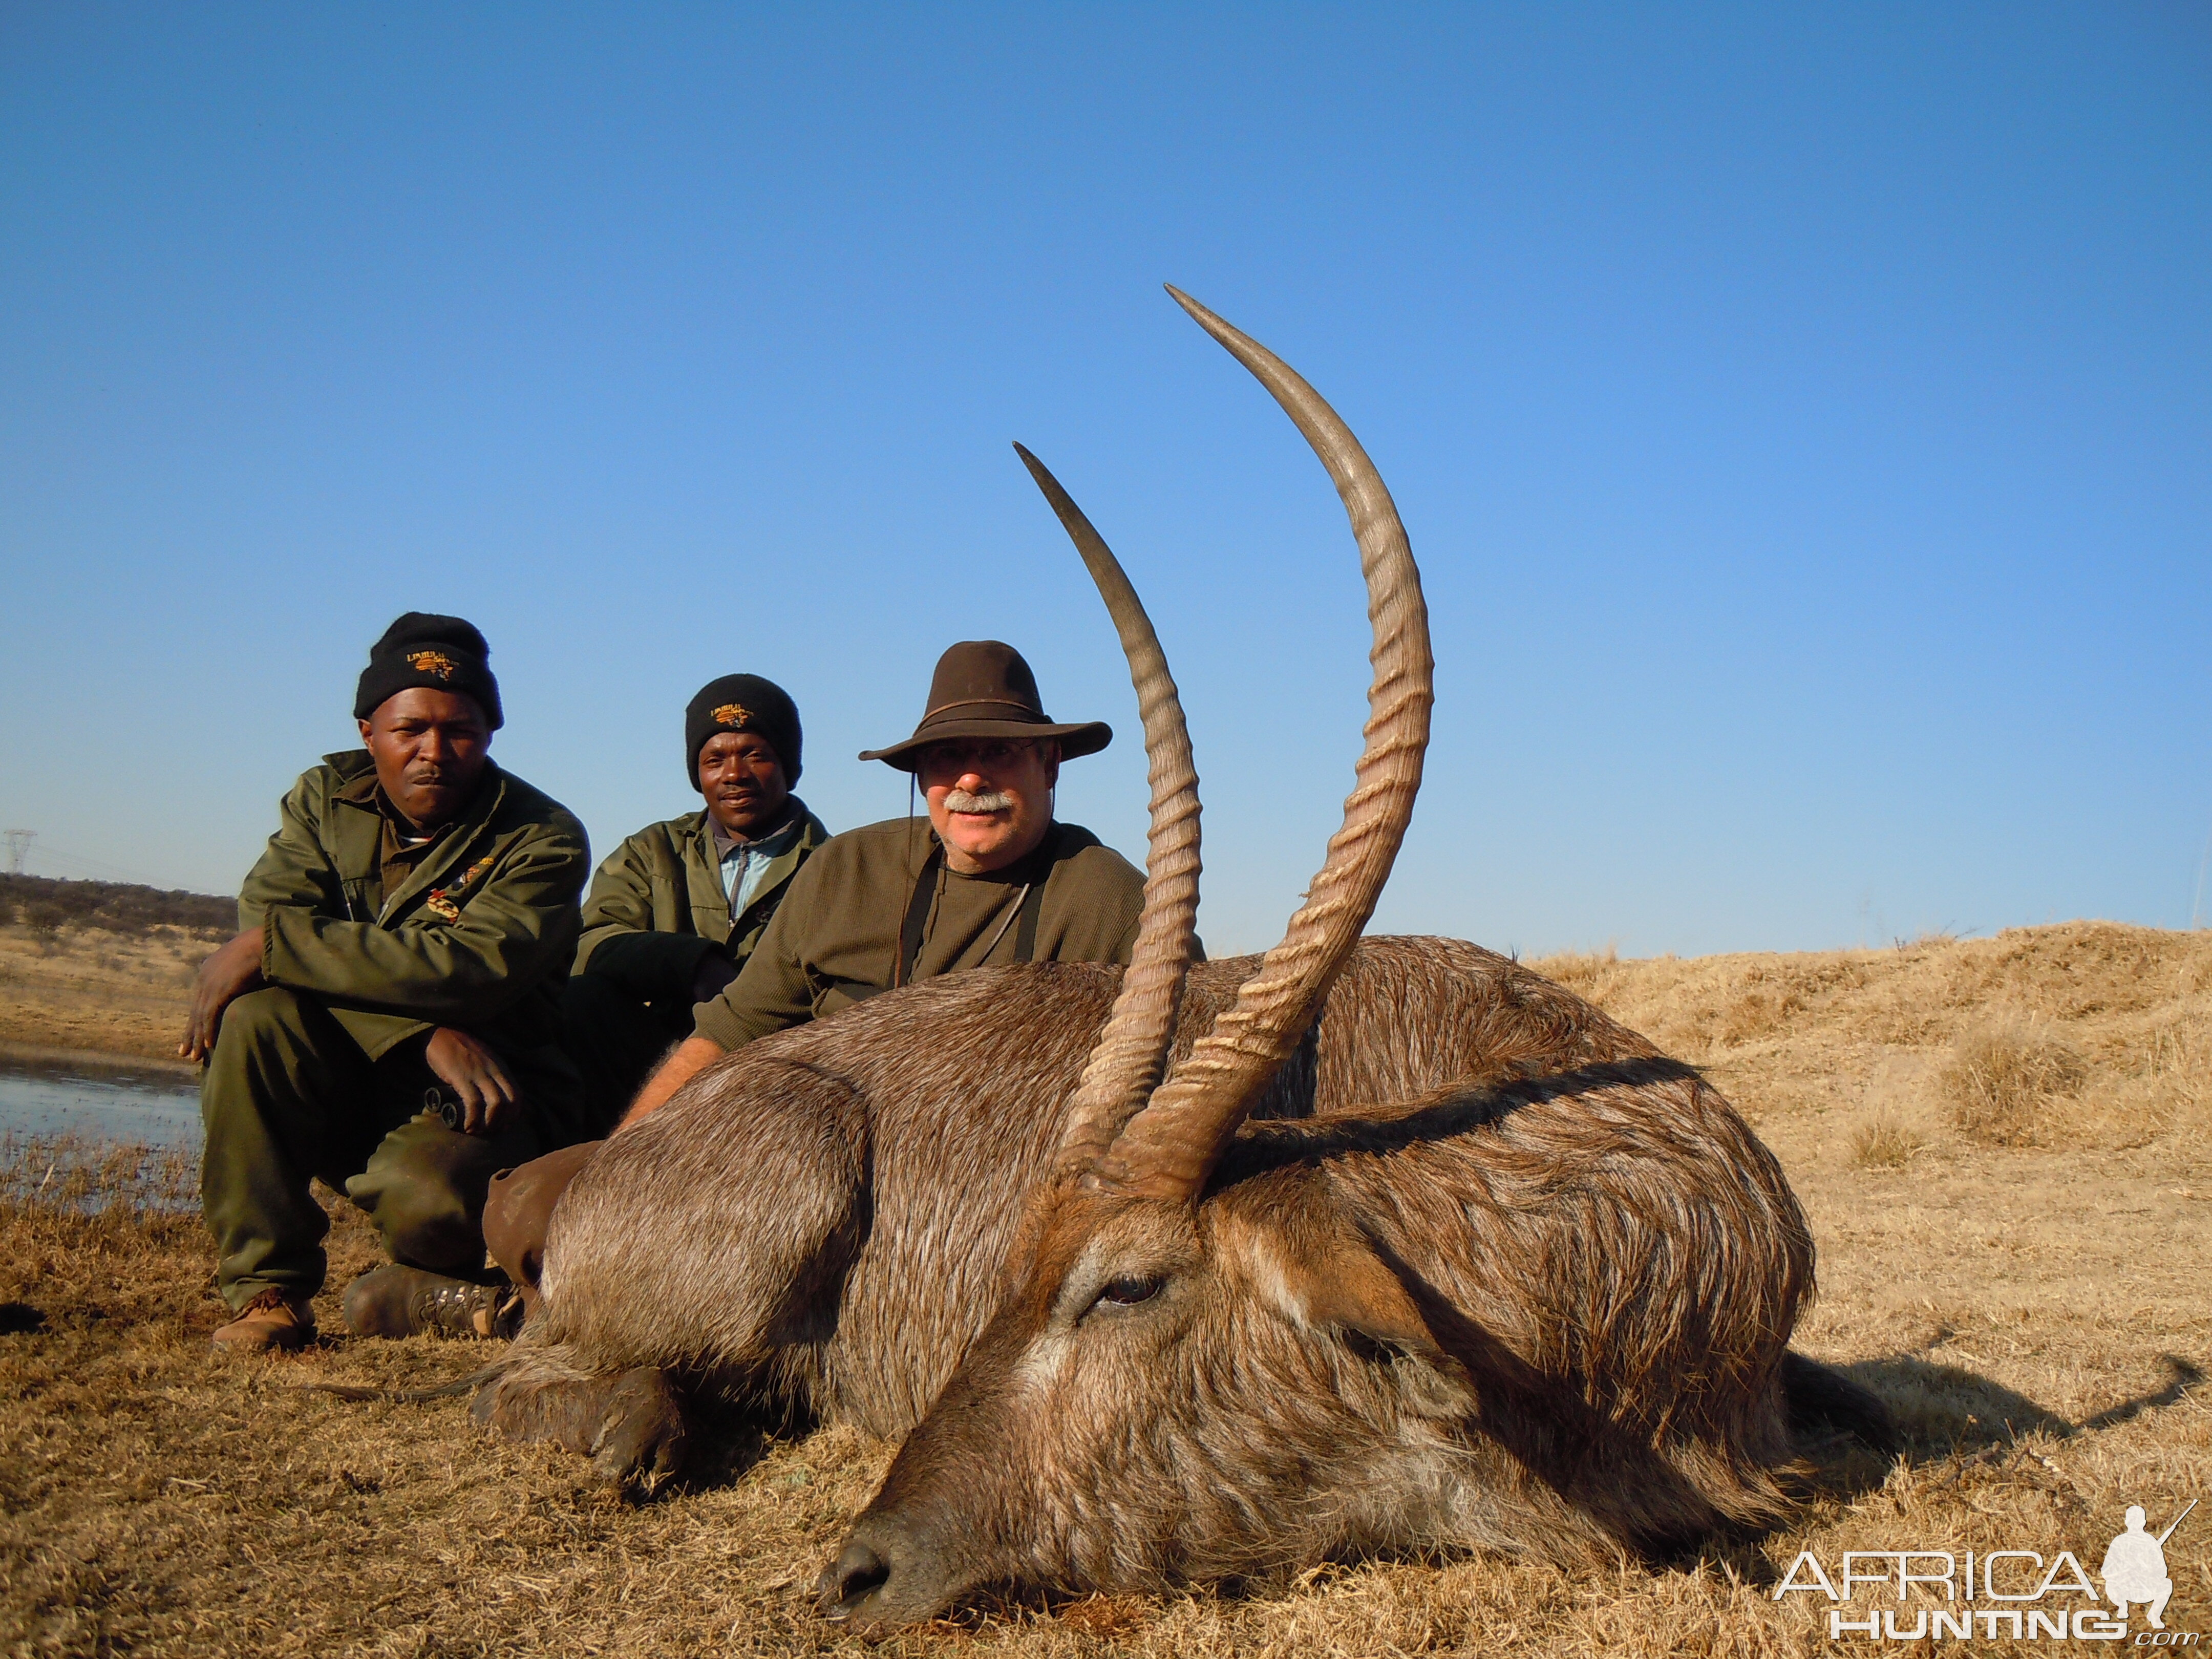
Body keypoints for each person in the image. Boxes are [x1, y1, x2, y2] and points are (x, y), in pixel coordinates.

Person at [477, 639, 1162, 1320]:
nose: (972, 781)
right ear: (922, 772)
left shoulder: (1114, 900)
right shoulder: (845, 870)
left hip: (972, 1220)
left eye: (1000, 754)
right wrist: (622, 1166)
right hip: (800, 1170)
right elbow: (729, 1031)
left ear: (1049, 765)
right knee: (539, 1207)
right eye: (949, 756)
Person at [183, 613, 592, 1354]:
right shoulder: (322, 798)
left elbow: (471, 972)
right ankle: (268, 1293)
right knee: (258, 1018)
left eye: (459, 730)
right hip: (367, 1063)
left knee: (433, 1211)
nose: (433, 751)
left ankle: (433, 1288)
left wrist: (279, 948)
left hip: (482, 1092)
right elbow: (272, 922)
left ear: (490, 733)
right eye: (410, 729)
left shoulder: (543, 835)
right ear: (369, 730)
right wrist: (414, 1030)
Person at [559, 674, 831, 1125]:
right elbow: (592, 942)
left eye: (755, 755)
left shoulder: (834, 865)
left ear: (788, 765)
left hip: (774, 1068)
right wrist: (693, 964)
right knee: (583, 1000)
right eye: (715, 759)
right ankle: (595, 1160)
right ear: (697, 773)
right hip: (654, 1055)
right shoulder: (651, 852)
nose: (734, 774)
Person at [2101, 1505, 2174, 1629]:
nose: (2134, 1523)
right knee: (2110, 1584)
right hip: (2124, 1589)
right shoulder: (2119, 1541)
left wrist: (2147, 1569)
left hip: (2146, 1590)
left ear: (2143, 1523)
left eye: (2137, 1521)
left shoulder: (2150, 1541)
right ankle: (2122, 1607)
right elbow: (2106, 1571)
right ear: (2127, 1523)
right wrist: (2124, 1571)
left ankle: (2155, 1614)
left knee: (2167, 1584)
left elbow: (2162, 1572)